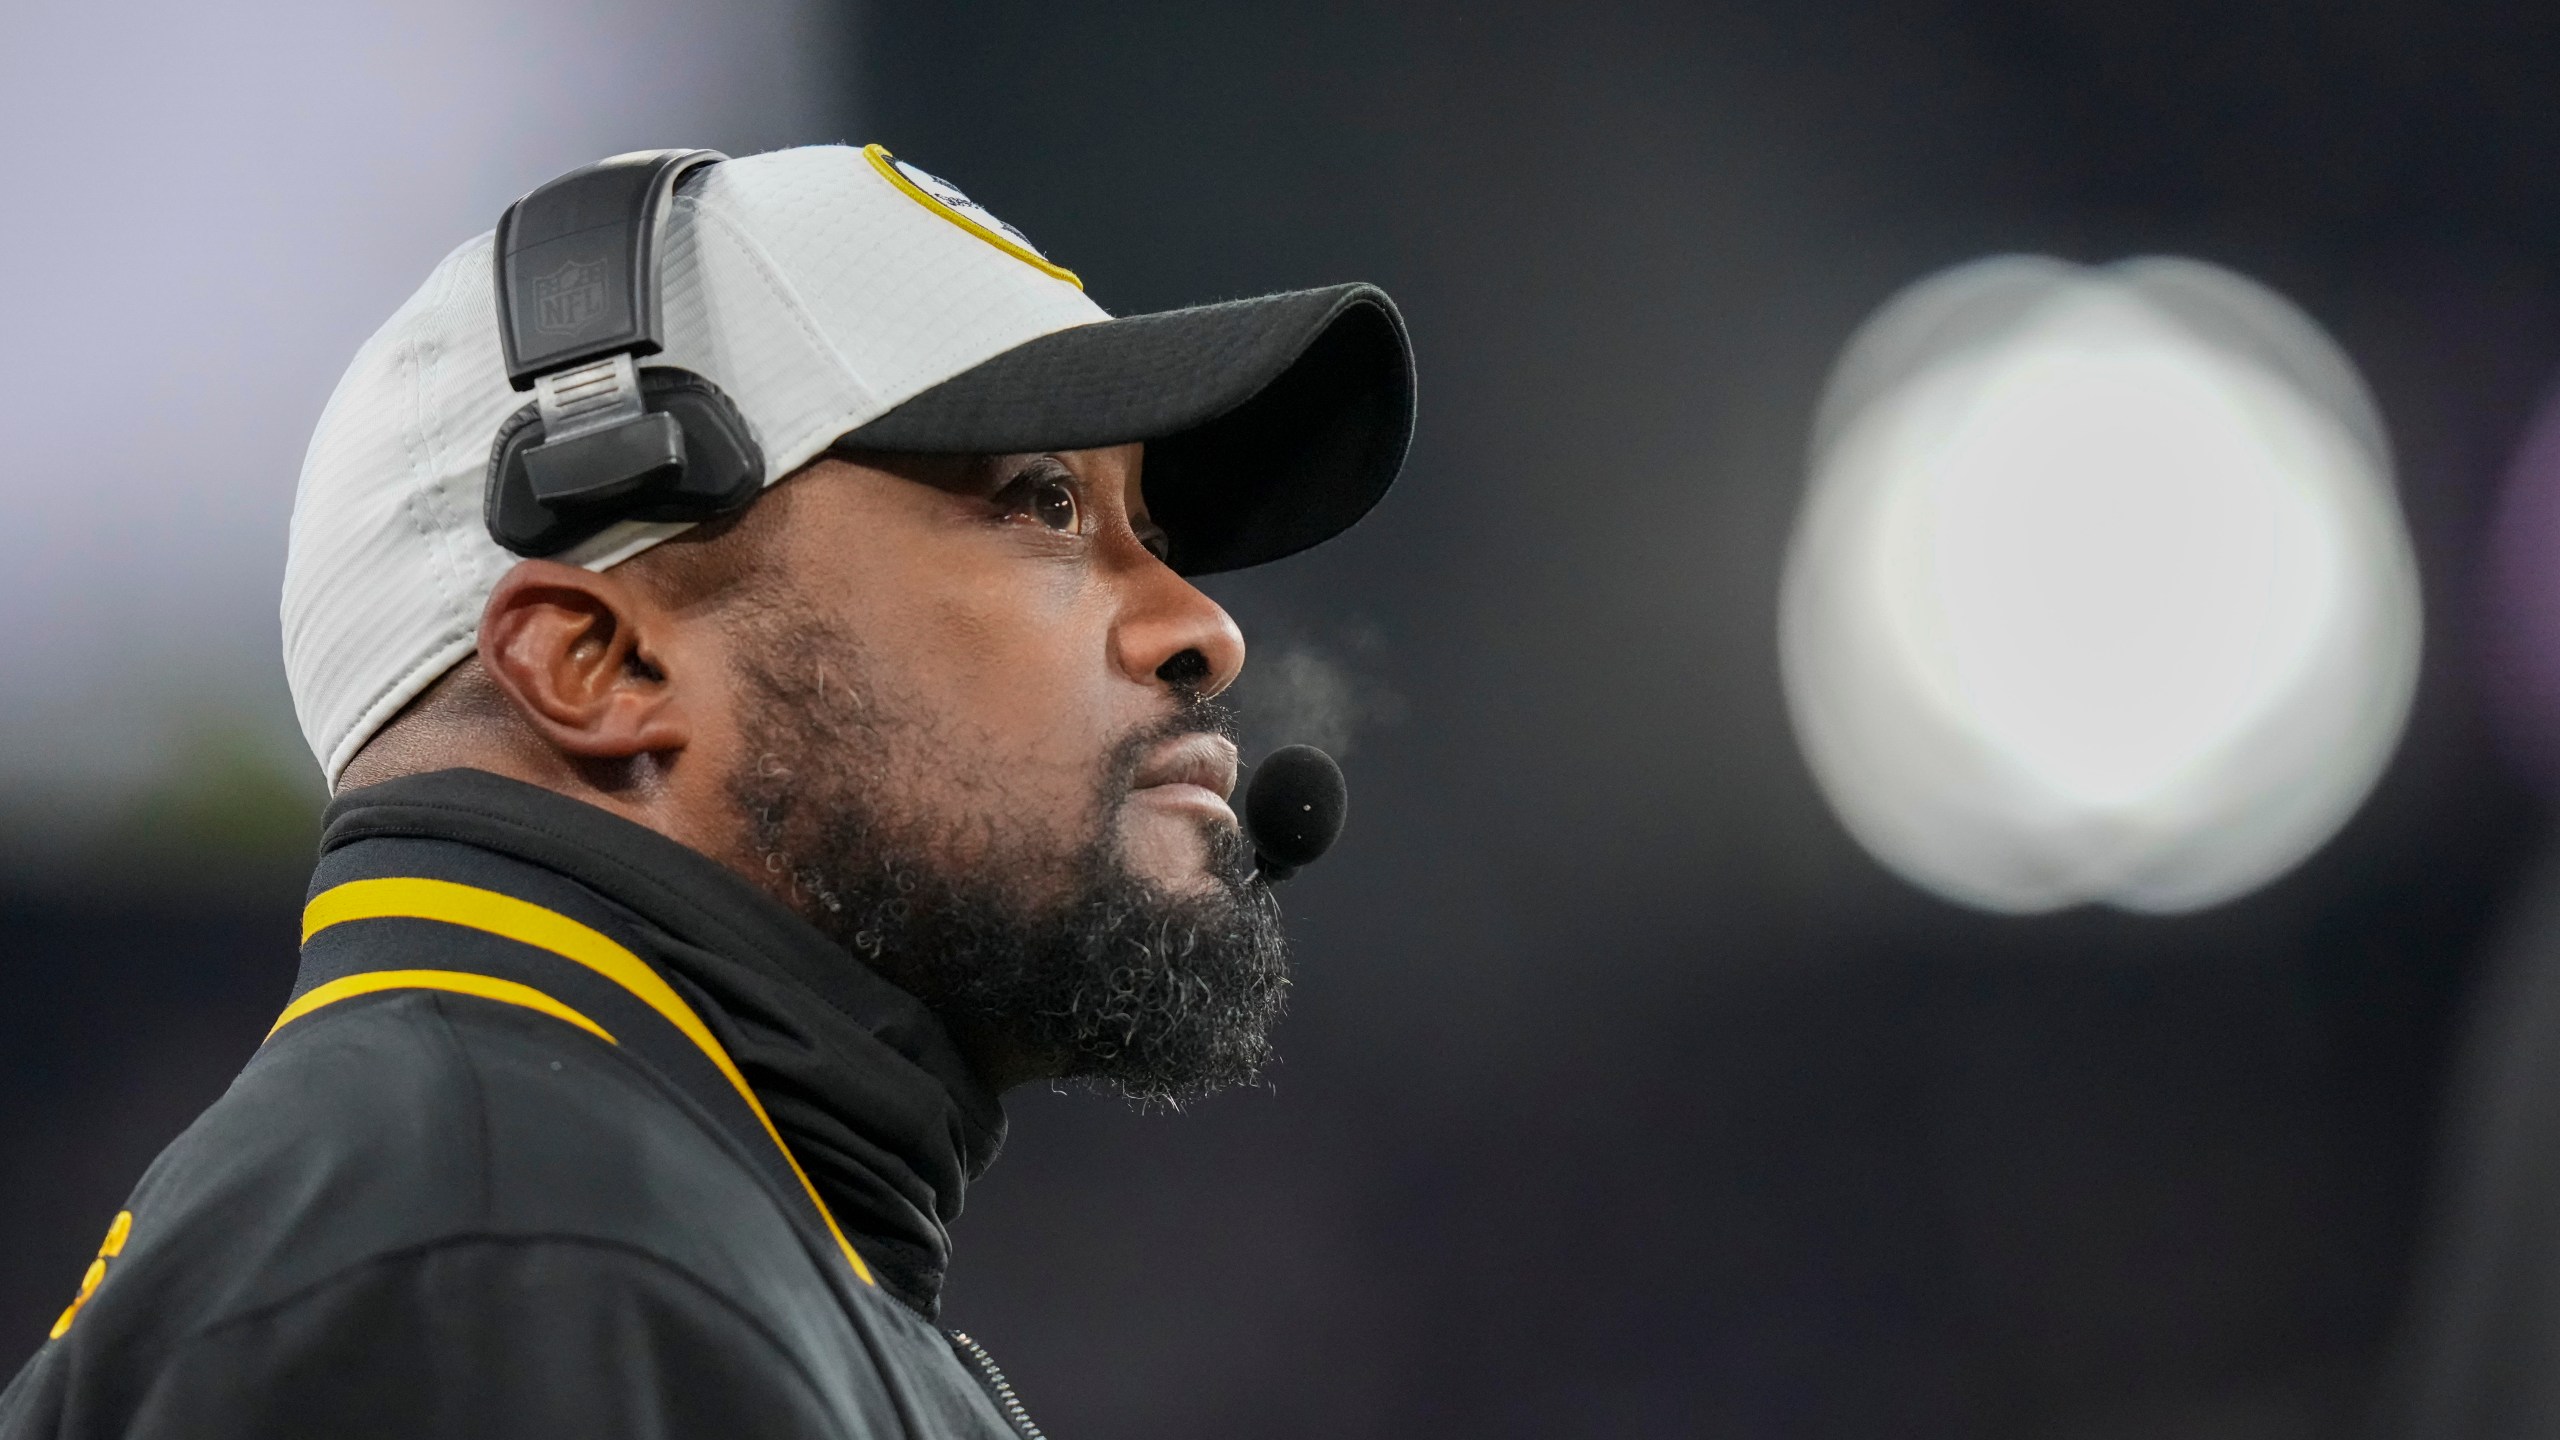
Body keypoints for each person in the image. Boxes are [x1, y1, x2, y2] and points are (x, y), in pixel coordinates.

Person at [0, 143, 1411, 1439]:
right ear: (597, 665)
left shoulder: (576, 1232)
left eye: (1149, 528)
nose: (1205, 628)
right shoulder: (514, 1272)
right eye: (1041, 502)